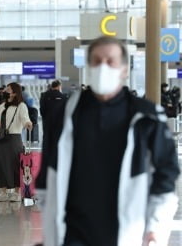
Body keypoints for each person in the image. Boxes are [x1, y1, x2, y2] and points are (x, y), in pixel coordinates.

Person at [38, 36, 180, 246]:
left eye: (110, 61)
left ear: (123, 69)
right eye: (96, 61)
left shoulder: (145, 116)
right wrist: (48, 227)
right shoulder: (65, 115)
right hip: (72, 232)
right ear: (88, 66)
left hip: (125, 230)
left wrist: (155, 227)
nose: (102, 67)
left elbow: (166, 175)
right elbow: (48, 173)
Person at [0, 82, 32, 202]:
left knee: (16, 165)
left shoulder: (21, 106)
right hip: (1, 139)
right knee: (1, 165)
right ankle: (3, 192)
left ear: (15, 93)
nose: (5, 90)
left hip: (14, 138)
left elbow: (25, 118)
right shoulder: (2, 106)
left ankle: (17, 192)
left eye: (8, 89)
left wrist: (27, 123)